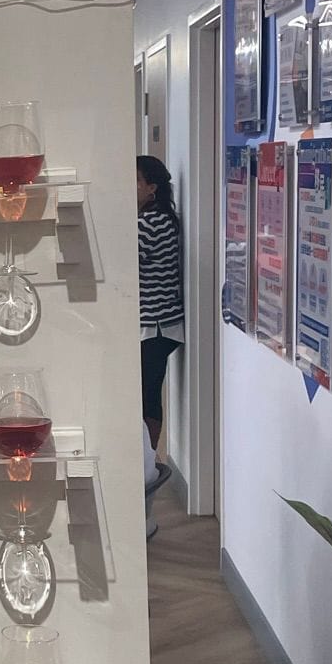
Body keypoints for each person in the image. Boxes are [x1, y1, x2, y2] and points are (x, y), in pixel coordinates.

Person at [137, 154, 184, 452]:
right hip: (159, 324)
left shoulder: (150, 222)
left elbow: (122, 260)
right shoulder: (159, 218)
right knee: (147, 393)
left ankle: (147, 461)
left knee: (146, 395)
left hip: (155, 325)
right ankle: (147, 459)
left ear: (151, 187)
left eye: (136, 182)